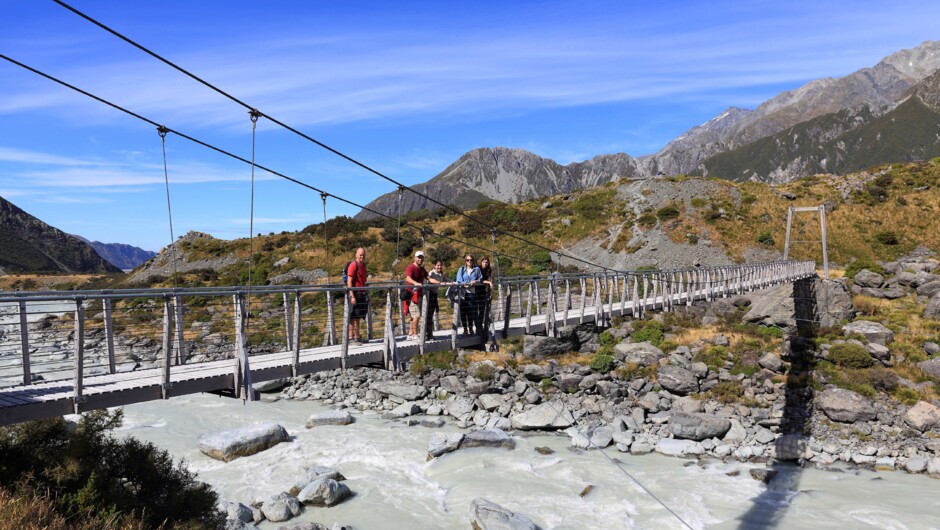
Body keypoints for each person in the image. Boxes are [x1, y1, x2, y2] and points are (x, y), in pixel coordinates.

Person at [456, 254, 483, 335]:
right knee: (463, 311)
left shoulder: (476, 269)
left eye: (471, 260)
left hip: (472, 292)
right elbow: (458, 280)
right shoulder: (461, 269)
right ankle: (465, 329)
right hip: (462, 292)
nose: (469, 261)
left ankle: (471, 328)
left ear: (473, 261)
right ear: (465, 261)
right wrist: (464, 284)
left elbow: (480, 278)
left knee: (471, 311)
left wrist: (475, 281)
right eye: (467, 260)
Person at [404, 251, 429, 340]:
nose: (420, 259)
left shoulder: (422, 269)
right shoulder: (410, 267)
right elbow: (408, 278)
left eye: (421, 257)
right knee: (416, 315)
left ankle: (410, 334)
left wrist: (441, 282)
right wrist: (415, 283)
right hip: (411, 295)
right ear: (414, 258)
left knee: (414, 315)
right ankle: (415, 335)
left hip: (419, 295)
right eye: (418, 257)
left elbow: (429, 277)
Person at [346, 247, 368, 344]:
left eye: (363, 255)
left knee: (357, 316)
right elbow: (349, 281)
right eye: (360, 255)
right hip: (355, 293)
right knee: (353, 316)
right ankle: (352, 337)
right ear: (356, 255)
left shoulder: (362, 265)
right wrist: (352, 295)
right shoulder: (353, 265)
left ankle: (356, 336)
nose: (362, 256)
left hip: (361, 293)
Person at [426, 259, 451, 339]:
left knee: (432, 313)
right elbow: (431, 280)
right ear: (434, 266)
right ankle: (428, 334)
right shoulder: (432, 273)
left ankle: (429, 333)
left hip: (434, 295)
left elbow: (446, 279)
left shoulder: (440, 274)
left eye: (440, 265)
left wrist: (454, 283)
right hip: (429, 295)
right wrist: (440, 283)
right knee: (429, 315)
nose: (439, 267)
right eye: (438, 265)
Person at [478, 256, 495, 337]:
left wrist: (491, 278)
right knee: (475, 310)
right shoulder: (478, 269)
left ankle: (480, 326)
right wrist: (489, 282)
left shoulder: (488, 270)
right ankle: (477, 327)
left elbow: (492, 279)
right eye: (483, 262)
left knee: (482, 310)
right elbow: (479, 280)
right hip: (475, 291)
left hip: (482, 292)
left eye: (486, 262)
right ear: (481, 262)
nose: (485, 264)